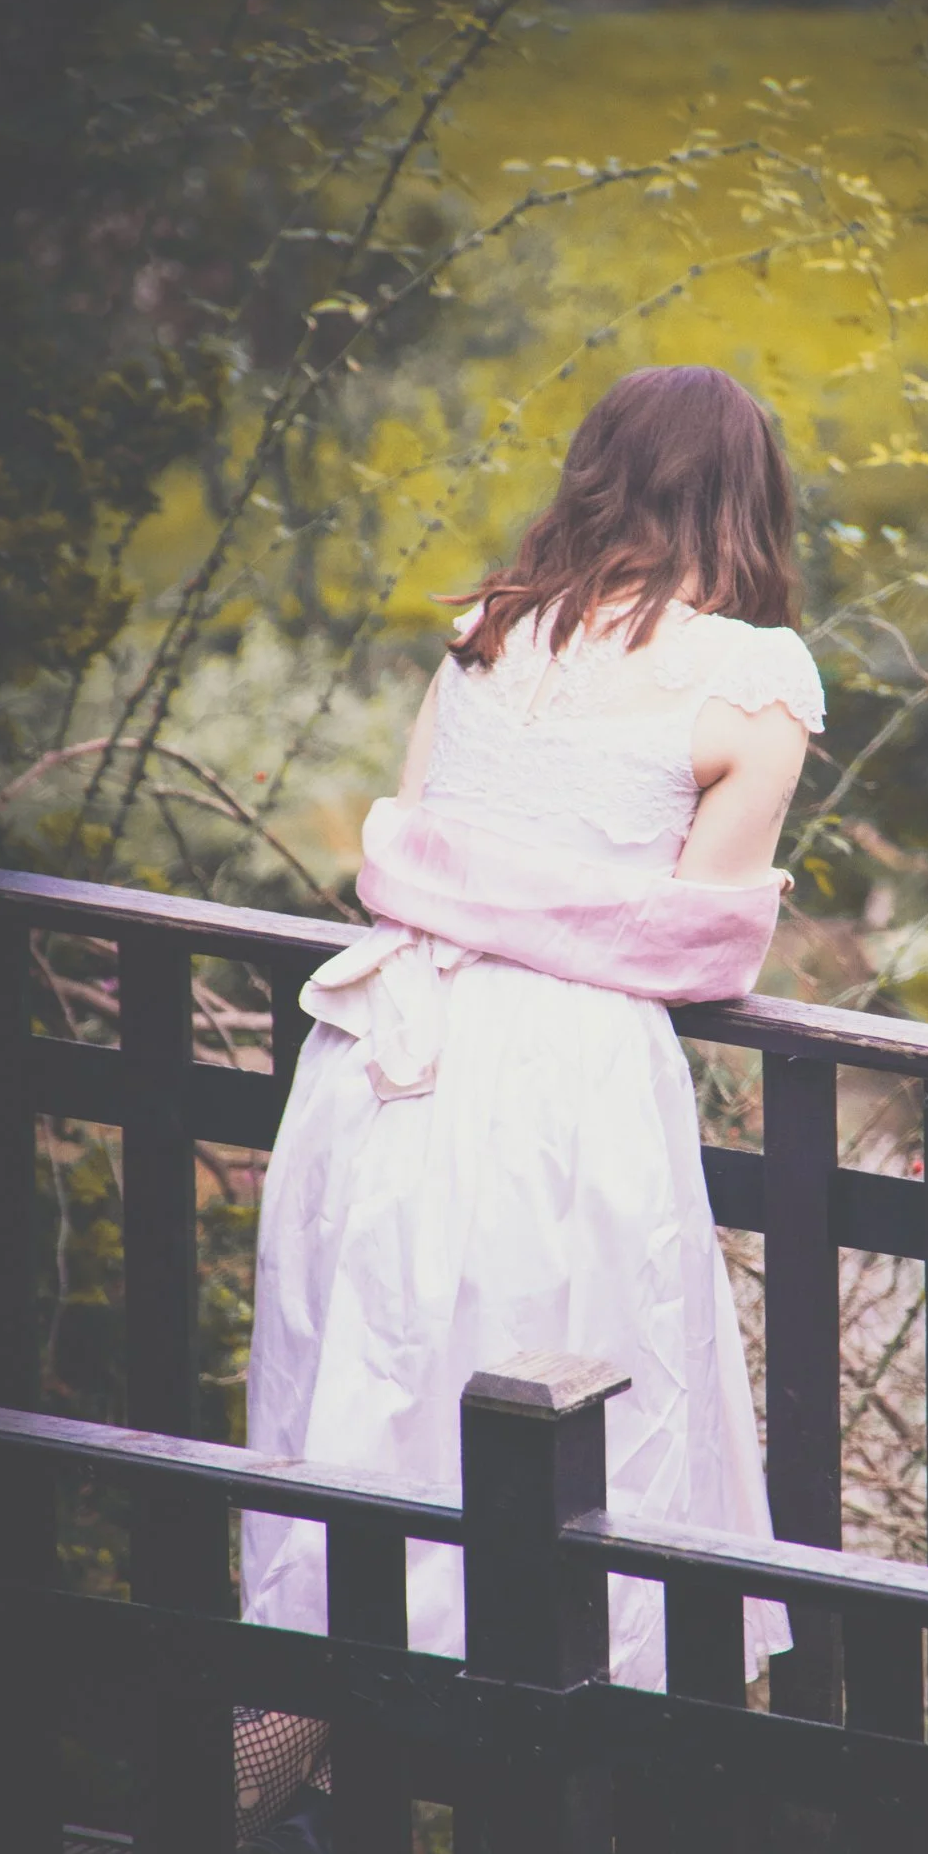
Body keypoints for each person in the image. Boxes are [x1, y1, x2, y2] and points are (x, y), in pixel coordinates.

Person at [239, 364, 825, 1694]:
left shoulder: (488, 630)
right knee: (574, 1444)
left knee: (362, 1440)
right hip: (565, 1085)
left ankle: (275, 1799)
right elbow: (700, 941)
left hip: (388, 1047)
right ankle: (322, 1819)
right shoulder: (758, 683)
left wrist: (486, 894)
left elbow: (412, 853)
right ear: (748, 499)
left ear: (595, 472)